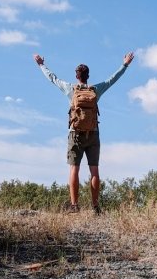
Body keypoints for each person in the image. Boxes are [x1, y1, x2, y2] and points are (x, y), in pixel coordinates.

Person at [34, 52, 134, 215]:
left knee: (74, 169)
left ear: (77, 76)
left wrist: (41, 64)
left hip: (75, 134)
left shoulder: (70, 89)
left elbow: (52, 78)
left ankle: (74, 206)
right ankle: (95, 207)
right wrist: (125, 64)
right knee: (94, 171)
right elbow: (112, 80)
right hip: (93, 134)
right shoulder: (96, 90)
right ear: (88, 76)